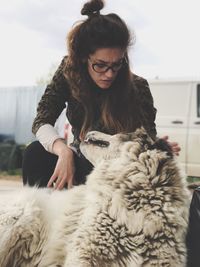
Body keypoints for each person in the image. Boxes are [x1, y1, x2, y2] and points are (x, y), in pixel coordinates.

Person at [22, 0, 180, 190]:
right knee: (35, 153)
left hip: (117, 169)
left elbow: (147, 138)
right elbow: (41, 120)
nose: (110, 74)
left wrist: (158, 147)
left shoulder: (138, 87)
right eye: (100, 65)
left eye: (117, 64)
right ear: (83, 57)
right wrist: (64, 151)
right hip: (80, 157)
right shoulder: (68, 71)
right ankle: (44, 214)